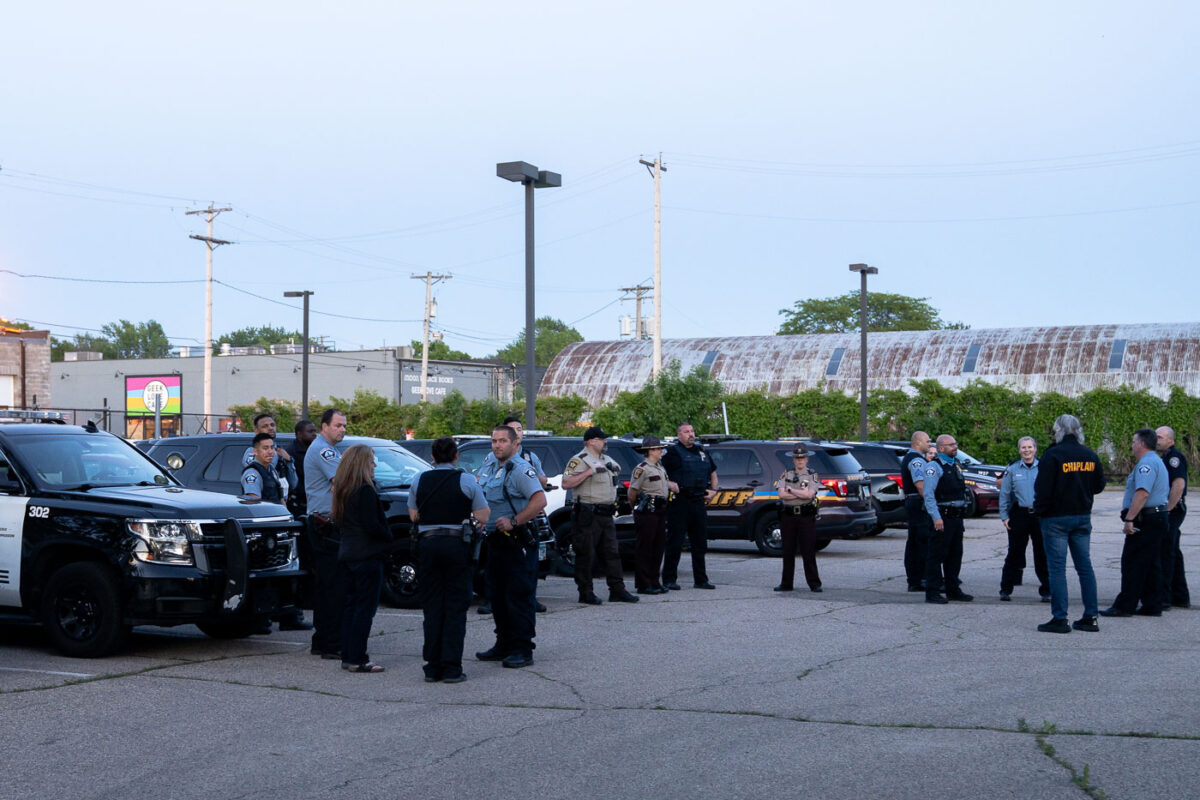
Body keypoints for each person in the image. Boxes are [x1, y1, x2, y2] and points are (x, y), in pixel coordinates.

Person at [409, 437, 490, 683]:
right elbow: (483, 514)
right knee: (455, 606)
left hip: (428, 544)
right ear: (456, 456)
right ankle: (452, 667)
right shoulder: (465, 480)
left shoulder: (419, 479)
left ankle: (432, 667)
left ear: (432, 457)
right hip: (456, 544)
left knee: (433, 606)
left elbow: (414, 515)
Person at [475, 425, 547, 669]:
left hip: (516, 540)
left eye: (502, 441)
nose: (497, 445)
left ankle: (522, 648)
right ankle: (503, 643)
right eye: (494, 441)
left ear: (515, 443)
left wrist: (515, 521)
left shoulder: (520, 469)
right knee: (497, 596)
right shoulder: (494, 468)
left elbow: (540, 500)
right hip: (495, 540)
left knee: (518, 595)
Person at [1032, 414, 1106, 633]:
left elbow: (1042, 489)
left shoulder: (1052, 455)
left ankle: (1060, 618)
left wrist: (1040, 511)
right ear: (1078, 430)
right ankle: (1091, 617)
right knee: (1085, 567)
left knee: (1057, 569)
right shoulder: (1090, 455)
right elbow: (1099, 485)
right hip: (1082, 516)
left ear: (1058, 430)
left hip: (1055, 518)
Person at [331, 444, 392, 673]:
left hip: (349, 554)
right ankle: (358, 657)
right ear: (362, 464)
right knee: (364, 609)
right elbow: (373, 525)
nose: (374, 465)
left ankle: (348, 655)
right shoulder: (364, 491)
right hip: (367, 555)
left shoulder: (343, 491)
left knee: (351, 607)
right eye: (371, 461)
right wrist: (389, 538)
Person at [562, 426, 639, 604]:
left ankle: (617, 590)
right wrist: (588, 472)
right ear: (591, 441)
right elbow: (566, 483)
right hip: (588, 513)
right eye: (602, 439)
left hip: (606, 513)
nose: (605, 442)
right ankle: (585, 592)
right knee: (586, 554)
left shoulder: (606, 458)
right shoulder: (579, 460)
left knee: (612, 552)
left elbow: (616, 471)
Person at [1102, 428, 1170, 618]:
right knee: (1150, 563)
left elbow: (1142, 493)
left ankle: (1124, 606)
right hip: (1157, 517)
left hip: (1147, 519)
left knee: (1133, 562)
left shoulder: (1146, 464)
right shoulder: (1156, 460)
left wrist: (1130, 519)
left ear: (1141, 444)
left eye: (1133, 442)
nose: (1131, 445)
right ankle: (1152, 603)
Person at [304, 408, 348, 659]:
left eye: (344, 426)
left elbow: (339, 482)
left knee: (327, 585)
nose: (342, 429)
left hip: (326, 523)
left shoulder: (330, 450)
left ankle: (322, 640)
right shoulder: (324, 450)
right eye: (338, 425)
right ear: (324, 426)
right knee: (333, 586)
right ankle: (331, 643)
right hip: (325, 525)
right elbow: (344, 480)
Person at [661, 423, 718, 590]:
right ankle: (669, 579)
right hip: (680, 502)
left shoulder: (702, 452)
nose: (690, 434)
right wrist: (670, 484)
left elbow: (713, 472)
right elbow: (659, 472)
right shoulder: (672, 452)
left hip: (698, 501)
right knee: (675, 542)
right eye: (686, 432)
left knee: (700, 543)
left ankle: (701, 579)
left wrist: (714, 490)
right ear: (679, 435)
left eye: (692, 431)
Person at [921, 435, 973, 604]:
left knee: (955, 555)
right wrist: (936, 517)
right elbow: (928, 495)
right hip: (942, 518)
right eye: (951, 445)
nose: (955, 447)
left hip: (956, 518)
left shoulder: (954, 465)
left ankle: (953, 589)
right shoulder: (933, 467)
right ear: (941, 448)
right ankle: (933, 591)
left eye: (955, 444)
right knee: (936, 555)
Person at [998, 436, 1050, 602]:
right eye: (1023, 448)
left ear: (1035, 449)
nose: (1026, 450)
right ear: (1019, 450)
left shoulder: (1044, 468)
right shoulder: (1012, 470)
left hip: (1040, 516)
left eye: (1029, 447)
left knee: (1042, 554)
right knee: (1014, 553)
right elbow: (1005, 494)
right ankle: (1006, 589)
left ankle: (1047, 590)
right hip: (1019, 515)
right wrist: (1004, 516)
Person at [627, 435, 676, 595]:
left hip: (661, 510)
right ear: (651, 451)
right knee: (645, 548)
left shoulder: (660, 468)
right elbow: (632, 491)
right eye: (658, 449)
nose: (661, 451)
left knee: (658, 547)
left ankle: (655, 581)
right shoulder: (642, 469)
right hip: (647, 510)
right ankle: (643, 583)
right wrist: (634, 508)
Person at [774, 444, 821, 592]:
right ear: (793, 459)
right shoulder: (786, 474)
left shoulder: (812, 475)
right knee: (787, 551)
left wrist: (791, 490)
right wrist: (800, 492)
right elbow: (782, 495)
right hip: (788, 516)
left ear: (807, 459)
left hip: (806, 516)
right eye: (797, 458)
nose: (800, 461)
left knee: (808, 551)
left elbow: (809, 495)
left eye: (802, 458)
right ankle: (786, 583)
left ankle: (814, 584)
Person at [1156, 425, 1190, 609]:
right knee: (1174, 551)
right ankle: (1180, 595)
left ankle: (1164, 597)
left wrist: (1167, 510)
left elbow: (1178, 484)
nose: (1157, 440)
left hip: (1173, 509)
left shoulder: (1174, 458)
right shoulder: (1166, 457)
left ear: (1171, 440)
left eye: (1160, 437)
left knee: (1166, 551)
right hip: (1172, 509)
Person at [900, 431, 932, 592]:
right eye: (928, 441)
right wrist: (932, 504)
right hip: (919, 504)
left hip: (914, 503)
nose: (930, 444)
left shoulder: (912, 458)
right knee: (921, 542)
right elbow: (920, 485)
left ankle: (915, 579)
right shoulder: (917, 461)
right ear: (918, 442)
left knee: (915, 542)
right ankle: (919, 579)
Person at [284, 419, 318, 516]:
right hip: (299, 503)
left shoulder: (314, 449)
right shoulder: (291, 453)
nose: (314, 434)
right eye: (310, 431)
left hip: (311, 500)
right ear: (299, 434)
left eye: (315, 431)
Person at [241, 433, 284, 502]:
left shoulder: (271, 470)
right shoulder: (252, 473)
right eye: (265, 448)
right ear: (255, 451)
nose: (270, 451)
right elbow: (254, 503)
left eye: (272, 447)